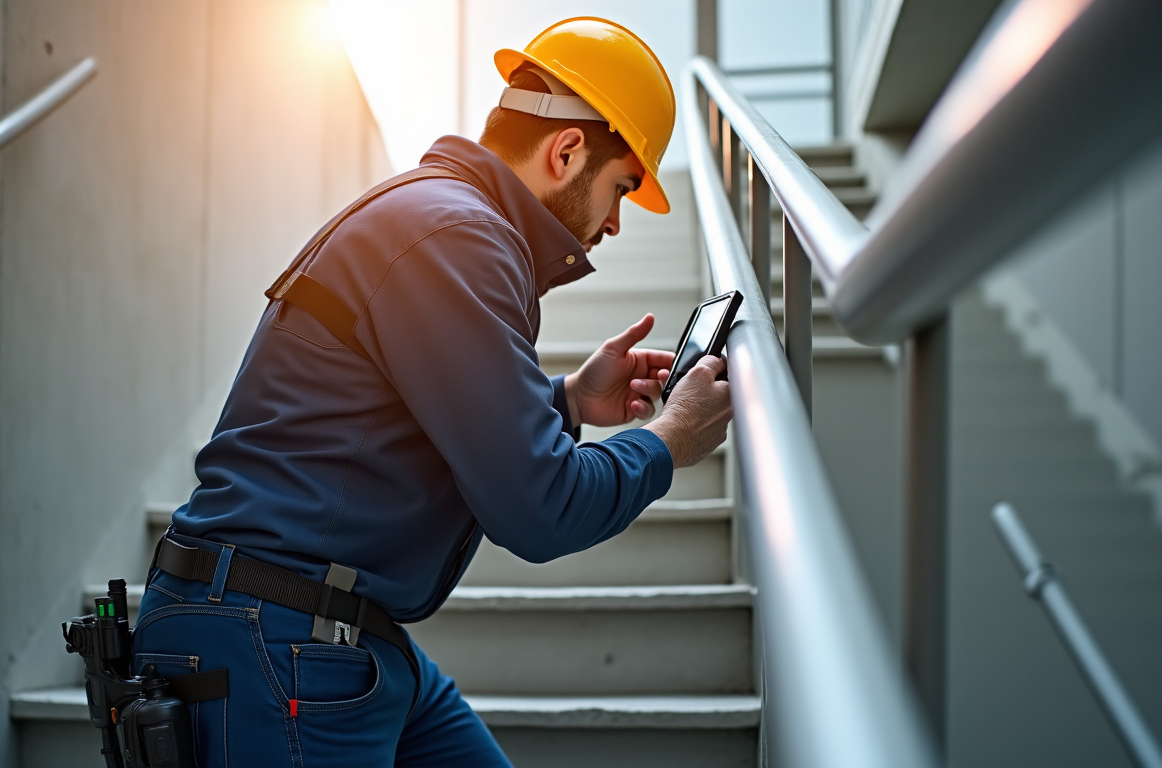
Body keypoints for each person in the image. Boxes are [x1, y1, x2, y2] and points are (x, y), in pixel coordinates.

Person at [132, 17, 732, 766]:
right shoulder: (455, 235)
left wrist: (571, 403)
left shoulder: (444, 220)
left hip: (337, 633)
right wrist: (669, 441)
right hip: (277, 633)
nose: (611, 224)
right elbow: (542, 508)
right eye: (620, 189)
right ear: (567, 149)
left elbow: (411, 408)